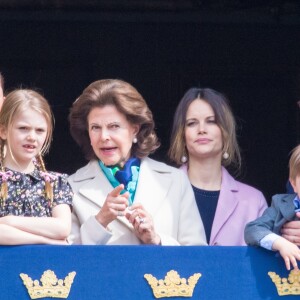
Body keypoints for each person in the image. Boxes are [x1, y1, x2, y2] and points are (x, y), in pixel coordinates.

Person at [67, 79, 206, 245]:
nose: (104, 136)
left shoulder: (176, 180)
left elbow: (197, 255)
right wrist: (100, 221)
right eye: (95, 127)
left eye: (114, 126)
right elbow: (66, 261)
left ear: (135, 129)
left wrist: (156, 239)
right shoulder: (70, 187)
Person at [168, 87, 268, 246]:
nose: (201, 130)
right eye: (192, 123)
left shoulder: (253, 201)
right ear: (182, 134)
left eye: (211, 121)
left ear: (225, 131)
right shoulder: (162, 191)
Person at [0, 89, 73, 245]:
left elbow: (62, 228)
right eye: (23, 128)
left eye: (40, 130)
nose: (32, 137)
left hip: (42, 268)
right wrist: (44, 240)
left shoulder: (56, 183)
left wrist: (10, 221)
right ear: (3, 130)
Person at [245, 145, 300, 270]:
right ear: (294, 184)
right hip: (284, 276)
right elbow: (252, 229)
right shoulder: (281, 204)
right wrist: (280, 243)